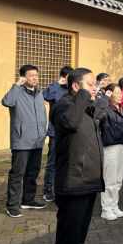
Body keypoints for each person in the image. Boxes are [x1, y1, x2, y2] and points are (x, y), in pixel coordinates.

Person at [50, 68, 102, 244]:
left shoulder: (84, 107)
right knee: (67, 242)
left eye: (95, 84)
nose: (94, 87)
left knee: (77, 240)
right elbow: (70, 122)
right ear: (75, 86)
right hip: (73, 184)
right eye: (90, 84)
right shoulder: (64, 105)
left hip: (87, 182)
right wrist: (83, 94)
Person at [2, 65, 48, 218]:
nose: (34, 78)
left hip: (38, 141)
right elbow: (6, 102)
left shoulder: (39, 93)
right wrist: (16, 85)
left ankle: (28, 200)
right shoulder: (17, 92)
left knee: (32, 173)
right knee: (17, 174)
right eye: (31, 75)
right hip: (22, 141)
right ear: (23, 77)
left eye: (36, 75)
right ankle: (12, 205)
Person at [93, 84, 123, 221]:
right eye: (117, 93)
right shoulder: (105, 109)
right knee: (109, 180)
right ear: (110, 94)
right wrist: (105, 97)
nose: (120, 95)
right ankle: (106, 209)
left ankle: (114, 205)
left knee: (118, 180)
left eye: (121, 93)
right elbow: (94, 108)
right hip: (110, 148)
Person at [43, 66, 73, 202]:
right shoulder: (56, 89)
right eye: (68, 77)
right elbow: (45, 96)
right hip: (55, 132)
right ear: (63, 77)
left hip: (70, 131)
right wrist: (56, 84)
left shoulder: (73, 91)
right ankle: (48, 189)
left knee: (68, 161)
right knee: (52, 161)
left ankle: (63, 186)